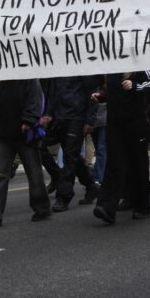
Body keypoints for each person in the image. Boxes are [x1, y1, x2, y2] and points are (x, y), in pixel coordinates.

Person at [0, 79, 51, 226]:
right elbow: (1, 107)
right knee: (1, 175)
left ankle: (41, 207)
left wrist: (28, 121)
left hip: (24, 134)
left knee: (34, 172)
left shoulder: (30, 81)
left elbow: (35, 102)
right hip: (5, 134)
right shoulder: (5, 83)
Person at [92, 70, 150, 224]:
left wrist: (134, 85)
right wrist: (101, 96)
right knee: (114, 162)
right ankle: (106, 206)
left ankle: (142, 205)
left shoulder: (139, 64)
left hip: (136, 121)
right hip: (115, 122)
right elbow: (112, 92)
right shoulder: (112, 68)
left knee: (138, 163)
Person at [43, 76, 99, 211]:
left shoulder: (81, 66)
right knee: (70, 154)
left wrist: (89, 120)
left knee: (69, 156)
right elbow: (53, 91)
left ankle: (63, 196)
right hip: (59, 117)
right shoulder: (58, 67)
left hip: (76, 117)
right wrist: (49, 113)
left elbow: (91, 91)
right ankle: (91, 185)